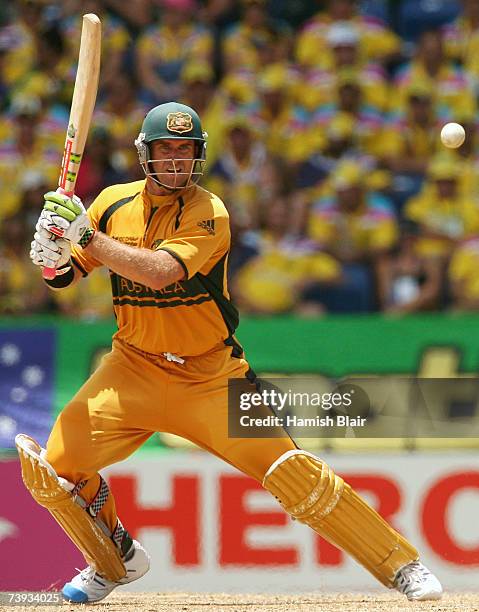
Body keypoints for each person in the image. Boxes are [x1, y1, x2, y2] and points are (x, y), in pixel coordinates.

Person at [18, 101, 442, 604]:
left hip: (210, 378)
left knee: (293, 473)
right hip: (131, 368)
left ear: (198, 155)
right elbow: (69, 274)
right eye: (165, 149)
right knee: (54, 468)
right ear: (145, 154)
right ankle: (115, 558)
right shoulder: (111, 202)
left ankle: (402, 566)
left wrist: (84, 234)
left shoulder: (208, 210)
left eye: (185, 150)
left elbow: (158, 271)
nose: (175, 160)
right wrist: (52, 255)